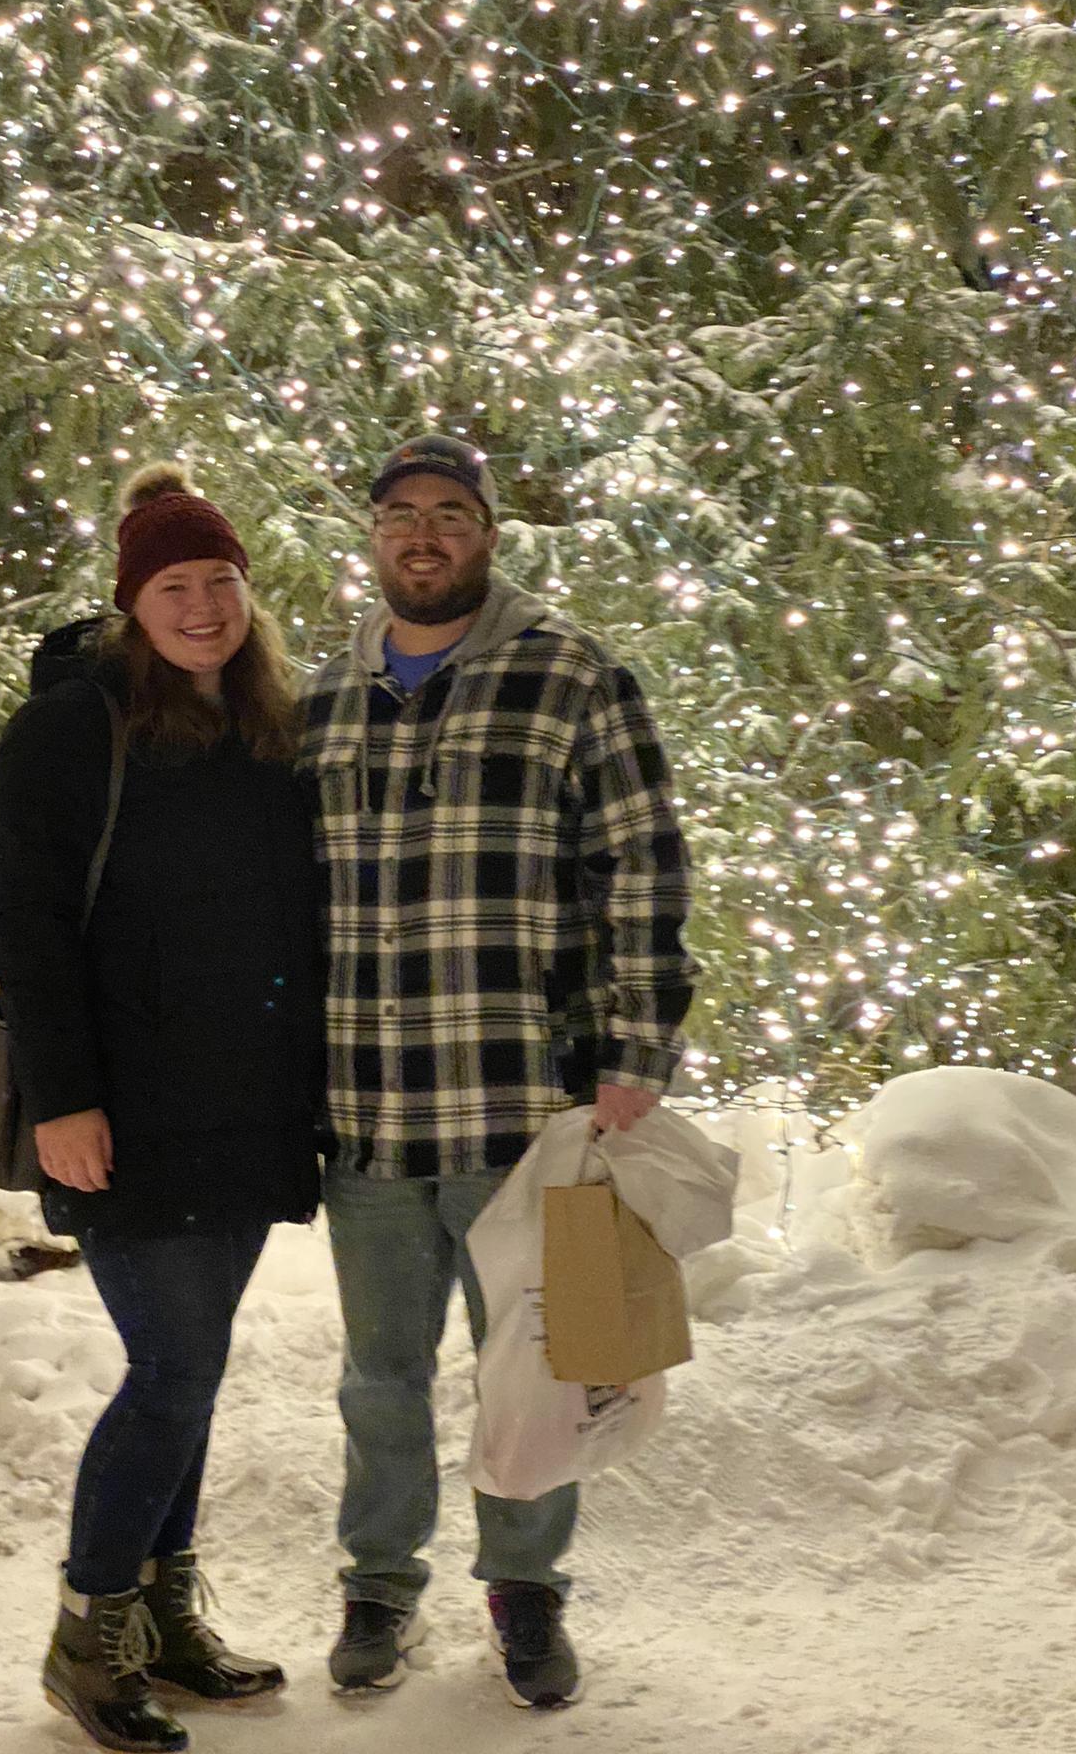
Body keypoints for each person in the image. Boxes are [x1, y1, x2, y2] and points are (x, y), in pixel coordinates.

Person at [297, 434, 697, 1709]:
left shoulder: (571, 673)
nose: (423, 534)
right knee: (379, 1375)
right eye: (400, 513)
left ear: (487, 533)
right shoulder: (322, 697)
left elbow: (644, 863)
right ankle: (379, 1583)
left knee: (546, 1361)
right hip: (365, 1109)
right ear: (374, 535)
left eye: (450, 512)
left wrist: (636, 1046)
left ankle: (526, 1590)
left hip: (525, 1104)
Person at [0, 465, 324, 1754]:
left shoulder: (268, 722)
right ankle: (89, 1637)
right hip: (122, 1110)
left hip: (246, 1106)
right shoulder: (74, 727)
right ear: (133, 604)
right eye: (173, 586)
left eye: (220, 581)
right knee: (173, 1367)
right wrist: (65, 1096)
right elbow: (25, 922)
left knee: (195, 1369)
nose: (202, 607)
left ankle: (164, 1618)